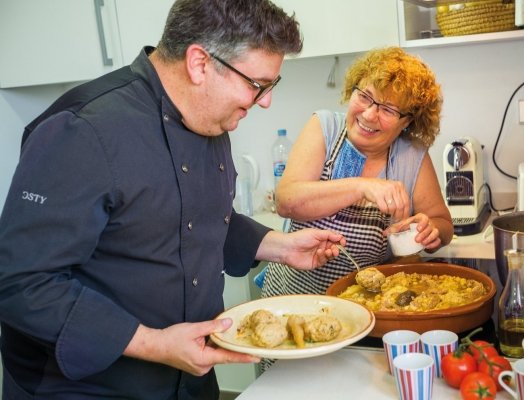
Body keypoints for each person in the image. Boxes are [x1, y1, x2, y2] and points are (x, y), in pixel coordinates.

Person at [0, 1, 346, 399]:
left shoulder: (210, 116)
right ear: (199, 63)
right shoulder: (83, 130)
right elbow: (20, 282)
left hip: (190, 378)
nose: (264, 100)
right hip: (89, 388)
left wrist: (280, 247)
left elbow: (196, 220)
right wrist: (153, 344)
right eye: (257, 85)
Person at [261, 47, 453, 298]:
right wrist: (362, 186)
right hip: (294, 301)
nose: (370, 114)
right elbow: (286, 201)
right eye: (365, 96)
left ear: (406, 122)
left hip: (362, 308)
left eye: (388, 110)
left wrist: (431, 230)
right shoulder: (325, 127)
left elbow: (444, 224)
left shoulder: (411, 156)